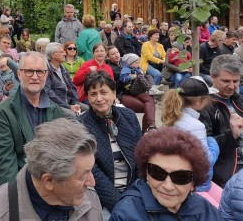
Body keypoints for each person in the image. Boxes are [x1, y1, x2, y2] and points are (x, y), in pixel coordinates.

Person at [0, 118, 103, 221]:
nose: (92, 183)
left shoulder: (89, 198)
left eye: (90, 170)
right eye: (82, 176)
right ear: (48, 181)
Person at [0, 51, 69, 185]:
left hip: (53, 187)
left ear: (46, 75)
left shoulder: (56, 111)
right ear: (19, 74)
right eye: (29, 71)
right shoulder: (3, 113)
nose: (35, 77)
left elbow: (63, 157)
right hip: (22, 189)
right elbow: (5, 167)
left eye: (40, 72)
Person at [109, 127, 223, 221]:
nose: (168, 186)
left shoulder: (205, 210)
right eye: (157, 172)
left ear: (194, 183)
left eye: (180, 177)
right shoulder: (126, 215)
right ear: (146, 174)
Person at [79, 71, 141, 217]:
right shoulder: (80, 125)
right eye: (93, 94)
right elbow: (92, 170)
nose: (99, 98)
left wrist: (136, 193)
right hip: (102, 199)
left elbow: (141, 155)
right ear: (88, 97)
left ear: (114, 94)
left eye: (103, 92)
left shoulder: (129, 116)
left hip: (134, 192)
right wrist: (119, 203)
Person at [161, 76, 222, 206]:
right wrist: (213, 142)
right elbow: (206, 161)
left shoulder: (173, 115)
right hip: (197, 184)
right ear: (199, 101)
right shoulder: (196, 126)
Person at [200, 54, 243, 187]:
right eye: (226, 81)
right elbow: (203, 148)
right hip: (227, 168)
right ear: (212, 77)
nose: (232, 86)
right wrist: (232, 135)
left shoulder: (239, 100)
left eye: (236, 81)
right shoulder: (202, 105)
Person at [107, 48, 156, 133]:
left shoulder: (125, 62)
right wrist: (131, 77)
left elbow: (137, 68)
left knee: (151, 98)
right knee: (148, 107)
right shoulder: (109, 68)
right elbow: (112, 84)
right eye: (113, 54)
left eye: (117, 52)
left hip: (134, 90)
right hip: (122, 94)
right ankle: (147, 130)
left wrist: (137, 74)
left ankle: (149, 128)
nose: (116, 55)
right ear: (108, 56)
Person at [44, 43, 83, 115]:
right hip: (57, 105)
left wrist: (76, 103)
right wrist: (68, 107)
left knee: (88, 109)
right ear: (53, 55)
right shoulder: (47, 71)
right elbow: (49, 93)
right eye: (62, 52)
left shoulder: (63, 69)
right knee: (72, 115)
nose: (65, 54)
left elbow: (72, 87)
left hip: (69, 102)